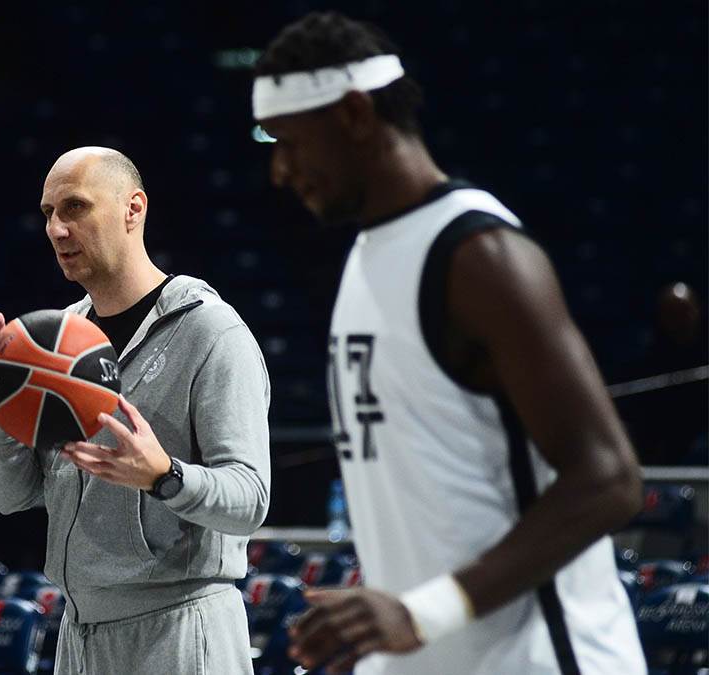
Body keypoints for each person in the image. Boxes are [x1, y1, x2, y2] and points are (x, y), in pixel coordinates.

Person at [251, 12, 646, 675]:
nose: (280, 171)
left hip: (540, 658)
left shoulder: (479, 255)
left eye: (288, 141)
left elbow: (610, 479)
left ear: (354, 114)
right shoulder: (367, 257)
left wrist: (423, 612)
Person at [0, 147, 271, 674]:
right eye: (48, 213)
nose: (56, 229)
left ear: (133, 209)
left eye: (75, 207)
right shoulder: (57, 339)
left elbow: (249, 499)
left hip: (180, 630)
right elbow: (10, 497)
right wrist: (2, 411)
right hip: (78, 631)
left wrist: (164, 476)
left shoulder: (211, 332)